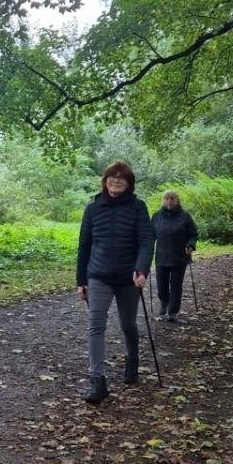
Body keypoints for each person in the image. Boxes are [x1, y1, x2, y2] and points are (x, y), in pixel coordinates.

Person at [76, 161, 154, 404]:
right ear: (105, 180)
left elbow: (146, 240)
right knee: (95, 326)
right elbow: (84, 246)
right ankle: (97, 381)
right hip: (98, 275)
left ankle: (132, 360)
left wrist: (142, 269)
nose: (116, 181)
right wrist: (81, 280)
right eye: (112, 177)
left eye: (121, 178)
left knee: (128, 324)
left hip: (128, 276)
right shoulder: (93, 208)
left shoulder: (138, 207)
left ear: (129, 183)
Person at [151, 190, 198, 322]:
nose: (169, 201)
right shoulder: (156, 216)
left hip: (180, 257)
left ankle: (172, 312)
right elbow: (150, 236)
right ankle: (164, 303)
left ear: (177, 201)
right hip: (161, 256)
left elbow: (193, 234)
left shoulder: (185, 216)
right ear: (163, 200)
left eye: (172, 199)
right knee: (161, 286)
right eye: (166, 198)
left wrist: (190, 245)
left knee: (176, 285)